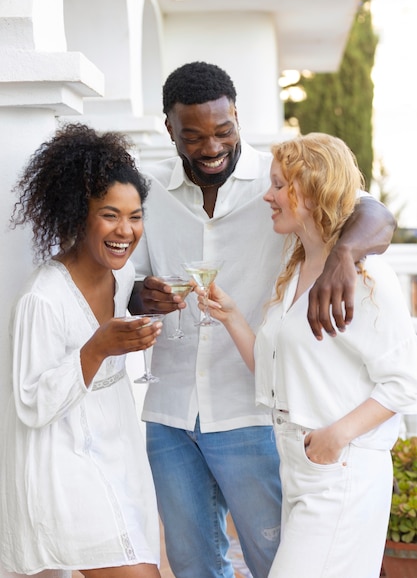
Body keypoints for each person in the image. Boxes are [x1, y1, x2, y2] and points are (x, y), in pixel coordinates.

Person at [128, 62, 396, 578]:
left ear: (237, 118)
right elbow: (129, 277)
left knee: (278, 562)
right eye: (194, 136)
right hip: (170, 412)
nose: (212, 147)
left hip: (251, 409)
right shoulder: (148, 189)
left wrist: (343, 256)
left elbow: (374, 216)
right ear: (170, 131)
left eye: (223, 131)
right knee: (191, 564)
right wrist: (144, 295)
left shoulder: (281, 183)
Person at [196, 132, 417, 578]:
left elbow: (406, 381)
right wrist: (233, 317)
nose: (268, 195)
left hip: (342, 469)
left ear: (312, 190)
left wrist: (336, 436)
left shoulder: (367, 276)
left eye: (280, 185)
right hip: (298, 465)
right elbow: (276, 372)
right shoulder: (296, 267)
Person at [0, 124, 163, 578]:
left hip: (117, 453)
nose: (125, 231)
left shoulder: (123, 277)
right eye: (110, 215)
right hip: (63, 466)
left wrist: (146, 300)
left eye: (135, 216)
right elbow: (30, 402)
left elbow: (126, 301)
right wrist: (96, 349)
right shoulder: (43, 299)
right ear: (77, 215)